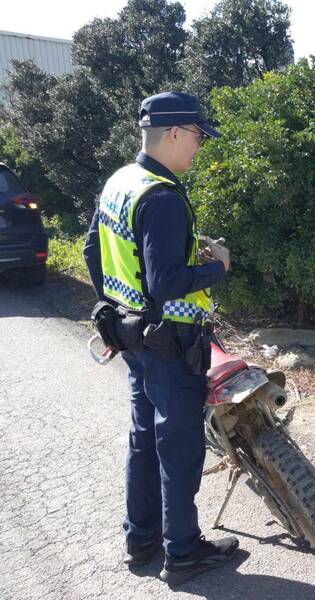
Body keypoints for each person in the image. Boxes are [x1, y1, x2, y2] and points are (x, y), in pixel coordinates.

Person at [83, 91, 239, 585]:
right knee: (179, 447)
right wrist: (218, 267)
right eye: (196, 137)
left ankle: (141, 537)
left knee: (144, 438)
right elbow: (168, 280)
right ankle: (184, 551)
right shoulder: (163, 197)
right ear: (174, 133)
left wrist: (115, 306)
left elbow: (93, 250)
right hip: (169, 345)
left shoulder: (120, 182)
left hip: (131, 336)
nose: (198, 147)